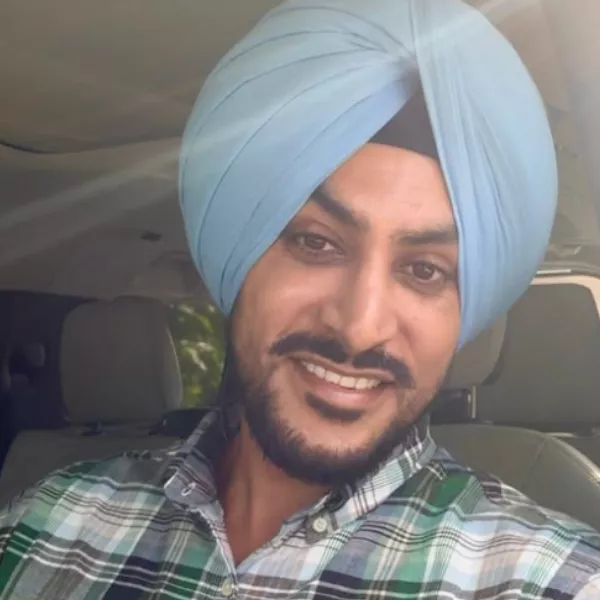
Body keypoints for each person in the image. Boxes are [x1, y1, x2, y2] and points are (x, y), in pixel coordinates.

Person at [1, 0, 599, 598]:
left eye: (424, 270)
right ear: (239, 256)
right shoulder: (46, 524)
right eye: (316, 242)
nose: (359, 327)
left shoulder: (545, 578)